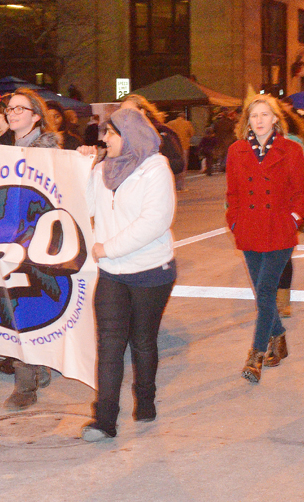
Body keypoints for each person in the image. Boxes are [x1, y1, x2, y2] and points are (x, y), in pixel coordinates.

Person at [78, 107, 176, 442]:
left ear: (130, 135)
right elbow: (84, 208)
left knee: (143, 340)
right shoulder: (103, 170)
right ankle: (104, 419)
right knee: (109, 344)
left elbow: (155, 221)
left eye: (111, 133)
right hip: (113, 274)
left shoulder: (156, 169)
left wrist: (108, 248)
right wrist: (85, 168)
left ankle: (145, 399)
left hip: (151, 270)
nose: (103, 138)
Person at [225, 94, 304, 383]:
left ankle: (256, 355)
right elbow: (233, 193)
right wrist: (234, 220)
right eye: (254, 116)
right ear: (247, 121)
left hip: (279, 231)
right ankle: (280, 338)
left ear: (275, 118)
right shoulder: (236, 150)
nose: (259, 121)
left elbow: (301, 192)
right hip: (248, 229)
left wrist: (293, 218)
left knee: (264, 293)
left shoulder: (291, 150)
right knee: (263, 293)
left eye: (264, 115)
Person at [0, 88, 58, 409]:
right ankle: (38, 366)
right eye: (9, 109)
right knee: (11, 307)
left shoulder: (49, 149)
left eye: (20, 108)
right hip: (5, 239)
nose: (12, 113)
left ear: (36, 116)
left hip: (36, 241)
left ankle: (25, 384)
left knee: (27, 308)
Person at [275, 104, 304, 317]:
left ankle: (279, 302)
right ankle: (280, 302)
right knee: (279, 255)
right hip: (267, 212)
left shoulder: (293, 143)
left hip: (283, 212)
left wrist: (297, 207)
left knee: (276, 254)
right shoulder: (253, 144)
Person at [121, 94, 185, 176]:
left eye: (129, 111)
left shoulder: (161, 132)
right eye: (122, 112)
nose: (124, 116)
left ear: (142, 111)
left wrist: (149, 165)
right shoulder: (122, 134)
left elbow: (178, 164)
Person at [166, 111, 195, 191]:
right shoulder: (187, 123)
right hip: (184, 146)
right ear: (184, 117)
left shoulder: (170, 123)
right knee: (183, 165)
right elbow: (191, 133)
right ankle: (181, 185)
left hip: (174, 146)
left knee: (173, 164)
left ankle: (173, 184)